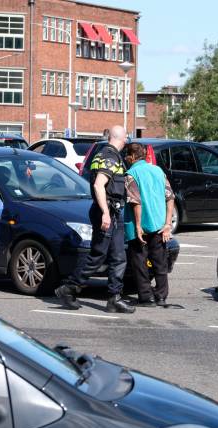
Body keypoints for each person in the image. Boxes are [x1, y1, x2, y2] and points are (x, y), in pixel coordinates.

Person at [55, 125, 135, 313]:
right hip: (106, 212)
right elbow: (100, 185)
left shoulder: (103, 154)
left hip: (112, 212)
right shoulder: (109, 156)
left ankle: (114, 298)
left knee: (118, 257)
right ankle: (68, 288)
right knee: (98, 256)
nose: (126, 141)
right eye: (126, 138)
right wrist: (105, 212)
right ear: (120, 138)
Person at [122, 142, 174, 307]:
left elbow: (135, 201)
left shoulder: (131, 174)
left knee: (139, 262)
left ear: (131, 156)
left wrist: (138, 226)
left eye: (126, 156)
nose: (125, 159)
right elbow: (170, 196)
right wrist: (167, 223)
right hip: (159, 225)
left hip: (140, 227)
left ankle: (146, 297)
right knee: (160, 262)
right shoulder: (158, 171)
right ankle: (161, 296)